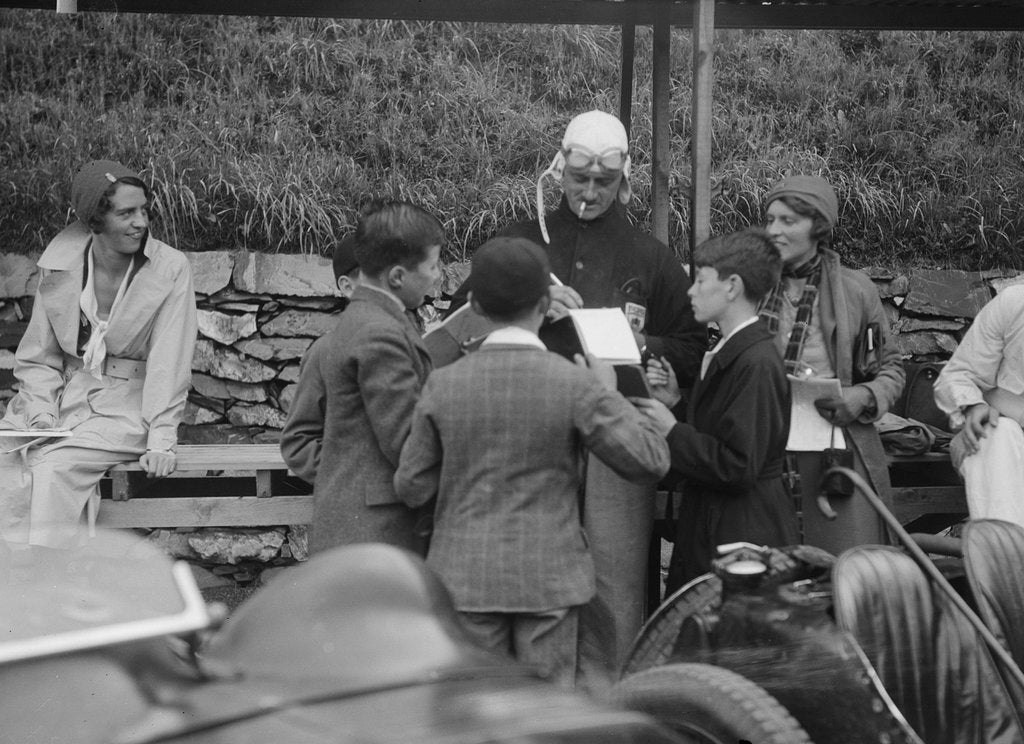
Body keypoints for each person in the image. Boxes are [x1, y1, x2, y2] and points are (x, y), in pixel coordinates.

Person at [450, 109, 707, 688]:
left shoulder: (651, 258)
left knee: (615, 580)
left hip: (616, 432)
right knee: (527, 572)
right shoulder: (516, 243)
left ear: (625, 180)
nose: (589, 193)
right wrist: (527, 298)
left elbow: (693, 346)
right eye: (578, 179)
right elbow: (455, 331)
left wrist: (646, 342)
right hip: (528, 433)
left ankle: (608, 703)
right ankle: (525, 701)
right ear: (557, 167)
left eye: (605, 183)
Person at [394, 236, 669, 689]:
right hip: (550, 582)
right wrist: (606, 389)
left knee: (473, 714)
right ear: (546, 303)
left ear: (476, 305)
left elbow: (412, 486)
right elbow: (651, 459)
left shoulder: (443, 386)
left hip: (465, 579)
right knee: (543, 717)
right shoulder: (575, 385)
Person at [0, 159, 197, 551]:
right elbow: (39, 354)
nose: (141, 222)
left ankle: (45, 576)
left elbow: (169, 361)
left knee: (53, 467)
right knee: (8, 459)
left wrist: (160, 439)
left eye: (144, 210)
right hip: (61, 399)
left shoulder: (170, 268)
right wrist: (40, 412)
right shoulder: (59, 265)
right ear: (94, 221)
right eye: (126, 213)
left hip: (127, 406)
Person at [634, 229, 797, 589]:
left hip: (744, 531)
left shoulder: (756, 362)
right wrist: (676, 403)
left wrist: (670, 430)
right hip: (717, 520)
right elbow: (719, 430)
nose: (690, 292)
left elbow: (738, 464)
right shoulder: (731, 349)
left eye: (700, 281)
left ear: (732, 287)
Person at [280, 200, 443, 555]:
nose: (436, 276)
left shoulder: (364, 318)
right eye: (432, 265)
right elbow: (408, 444)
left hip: (362, 526)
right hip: (378, 530)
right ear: (398, 277)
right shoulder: (380, 334)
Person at [758, 175, 904, 553]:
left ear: (818, 227)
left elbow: (891, 370)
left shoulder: (856, 292)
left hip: (833, 454)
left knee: (847, 568)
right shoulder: (748, 284)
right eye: (770, 219)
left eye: (788, 222)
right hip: (763, 450)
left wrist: (863, 396)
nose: (774, 230)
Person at [933, 285, 1024, 527]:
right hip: (1006, 445)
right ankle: (1003, 555)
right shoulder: (1015, 304)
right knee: (997, 432)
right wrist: (973, 406)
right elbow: (959, 375)